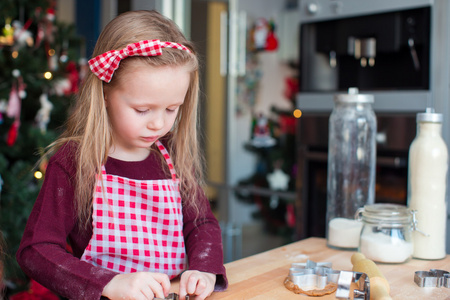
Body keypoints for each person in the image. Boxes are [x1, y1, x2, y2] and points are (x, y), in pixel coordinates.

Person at [16, 10, 227, 300]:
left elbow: (201, 223)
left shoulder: (173, 153)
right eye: (142, 110)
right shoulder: (73, 161)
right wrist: (107, 283)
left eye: (171, 108)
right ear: (105, 92)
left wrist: (204, 269)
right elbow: (36, 250)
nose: (158, 123)